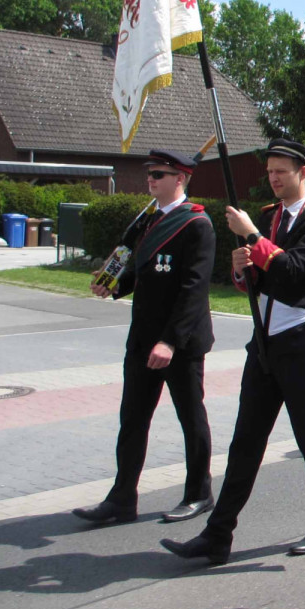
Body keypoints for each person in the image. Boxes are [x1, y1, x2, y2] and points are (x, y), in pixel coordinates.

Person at [162, 138, 305, 565]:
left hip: (301, 339)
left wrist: (252, 237)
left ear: (303, 172)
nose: (273, 179)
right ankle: (218, 533)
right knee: (246, 439)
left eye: (281, 171)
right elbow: (258, 281)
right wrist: (240, 267)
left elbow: (295, 272)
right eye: (269, 173)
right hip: (263, 341)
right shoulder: (267, 217)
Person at [74, 149, 215, 526]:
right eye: (150, 174)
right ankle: (122, 498)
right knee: (132, 419)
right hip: (142, 338)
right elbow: (140, 269)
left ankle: (199, 492)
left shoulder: (196, 224)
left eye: (159, 174)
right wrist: (114, 286)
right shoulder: (147, 220)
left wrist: (169, 341)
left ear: (180, 179)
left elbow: (193, 289)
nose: (150, 180)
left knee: (190, 416)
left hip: (179, 343)